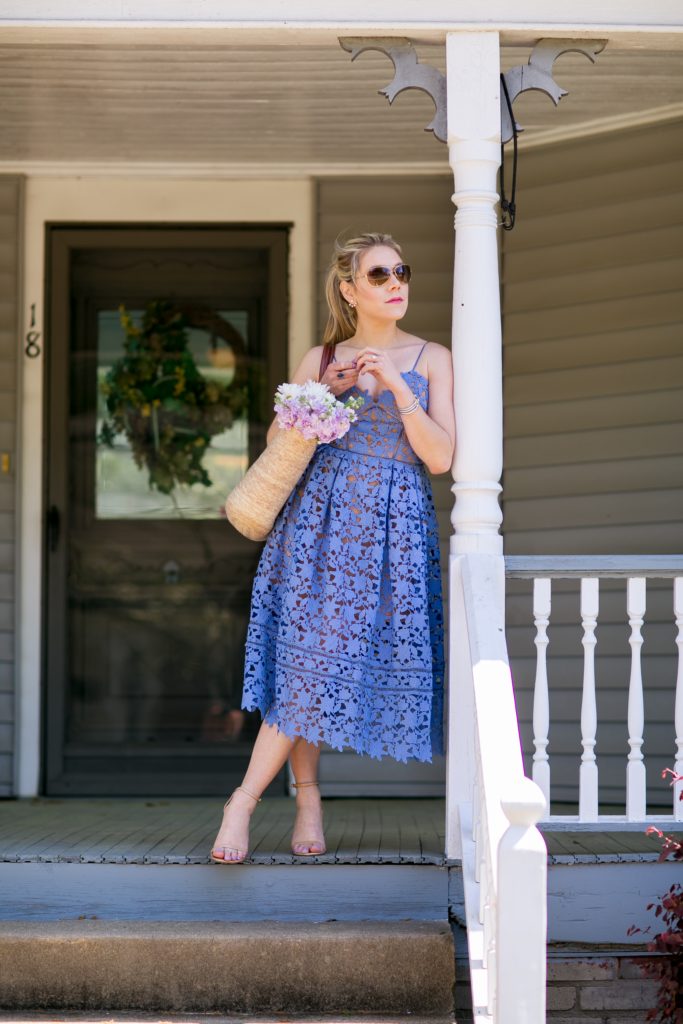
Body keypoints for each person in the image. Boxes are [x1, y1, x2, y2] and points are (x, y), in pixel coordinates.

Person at [211, 232, 455, 864]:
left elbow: (441, 456)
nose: (396, 283)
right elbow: (279, 443)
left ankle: (275, 798)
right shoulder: (321, 357)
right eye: (379, 275)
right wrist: (327, 392)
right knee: (304, 665)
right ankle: (273, 801)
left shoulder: (432, 357)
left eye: (402, 270)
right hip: (315, 527)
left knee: (321, 668)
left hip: (391, 535)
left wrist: (400, 388)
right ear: (350, 289)